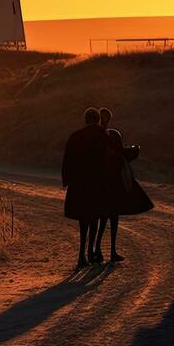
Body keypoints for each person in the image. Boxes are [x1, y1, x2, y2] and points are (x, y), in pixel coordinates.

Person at [92, 108, 153, 263]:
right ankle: (108, 250)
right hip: (112, 180)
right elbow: (121, 154)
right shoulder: (111, 134)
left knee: (105, 217)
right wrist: (133, 151)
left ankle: (100, 249)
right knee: (111, 216)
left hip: (103, 180)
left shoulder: (99, 135)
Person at [60, 107, 109, 268]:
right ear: (96, 119)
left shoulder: (76, 136)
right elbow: (108, 158)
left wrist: (67, 180)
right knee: (94, 218)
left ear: (86, 120)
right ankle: (90, 252)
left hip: (80, 183)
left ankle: (81, 255)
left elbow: (67, 159)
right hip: (97, 183)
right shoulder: (102, 135)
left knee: (83, 219)